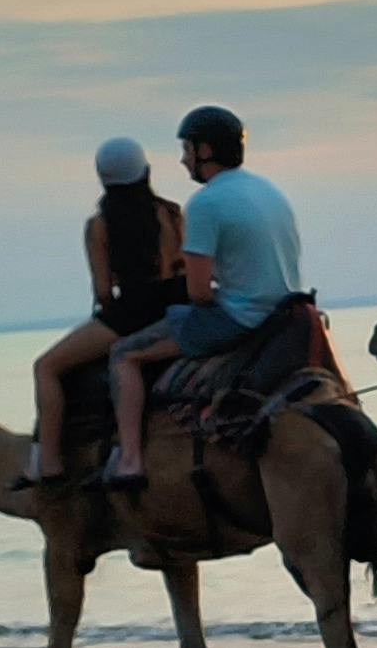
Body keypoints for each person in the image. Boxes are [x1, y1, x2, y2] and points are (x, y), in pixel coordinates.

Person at [103, 105, 304, 486]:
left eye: (186, 149)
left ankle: (129, 459)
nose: (182, 159)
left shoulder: (206, 204)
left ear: (205, 151)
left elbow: (198, 293)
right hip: (285, 312)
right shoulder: (267, 189)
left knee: (124, 355)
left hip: (240, 318)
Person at [21, 135, 188, 485]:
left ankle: (48, 463)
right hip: (177, 306)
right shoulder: (172, 213)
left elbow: (102, 290)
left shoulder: (99, 225)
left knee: (47, 367)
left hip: (131, 312)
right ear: (145, 172)